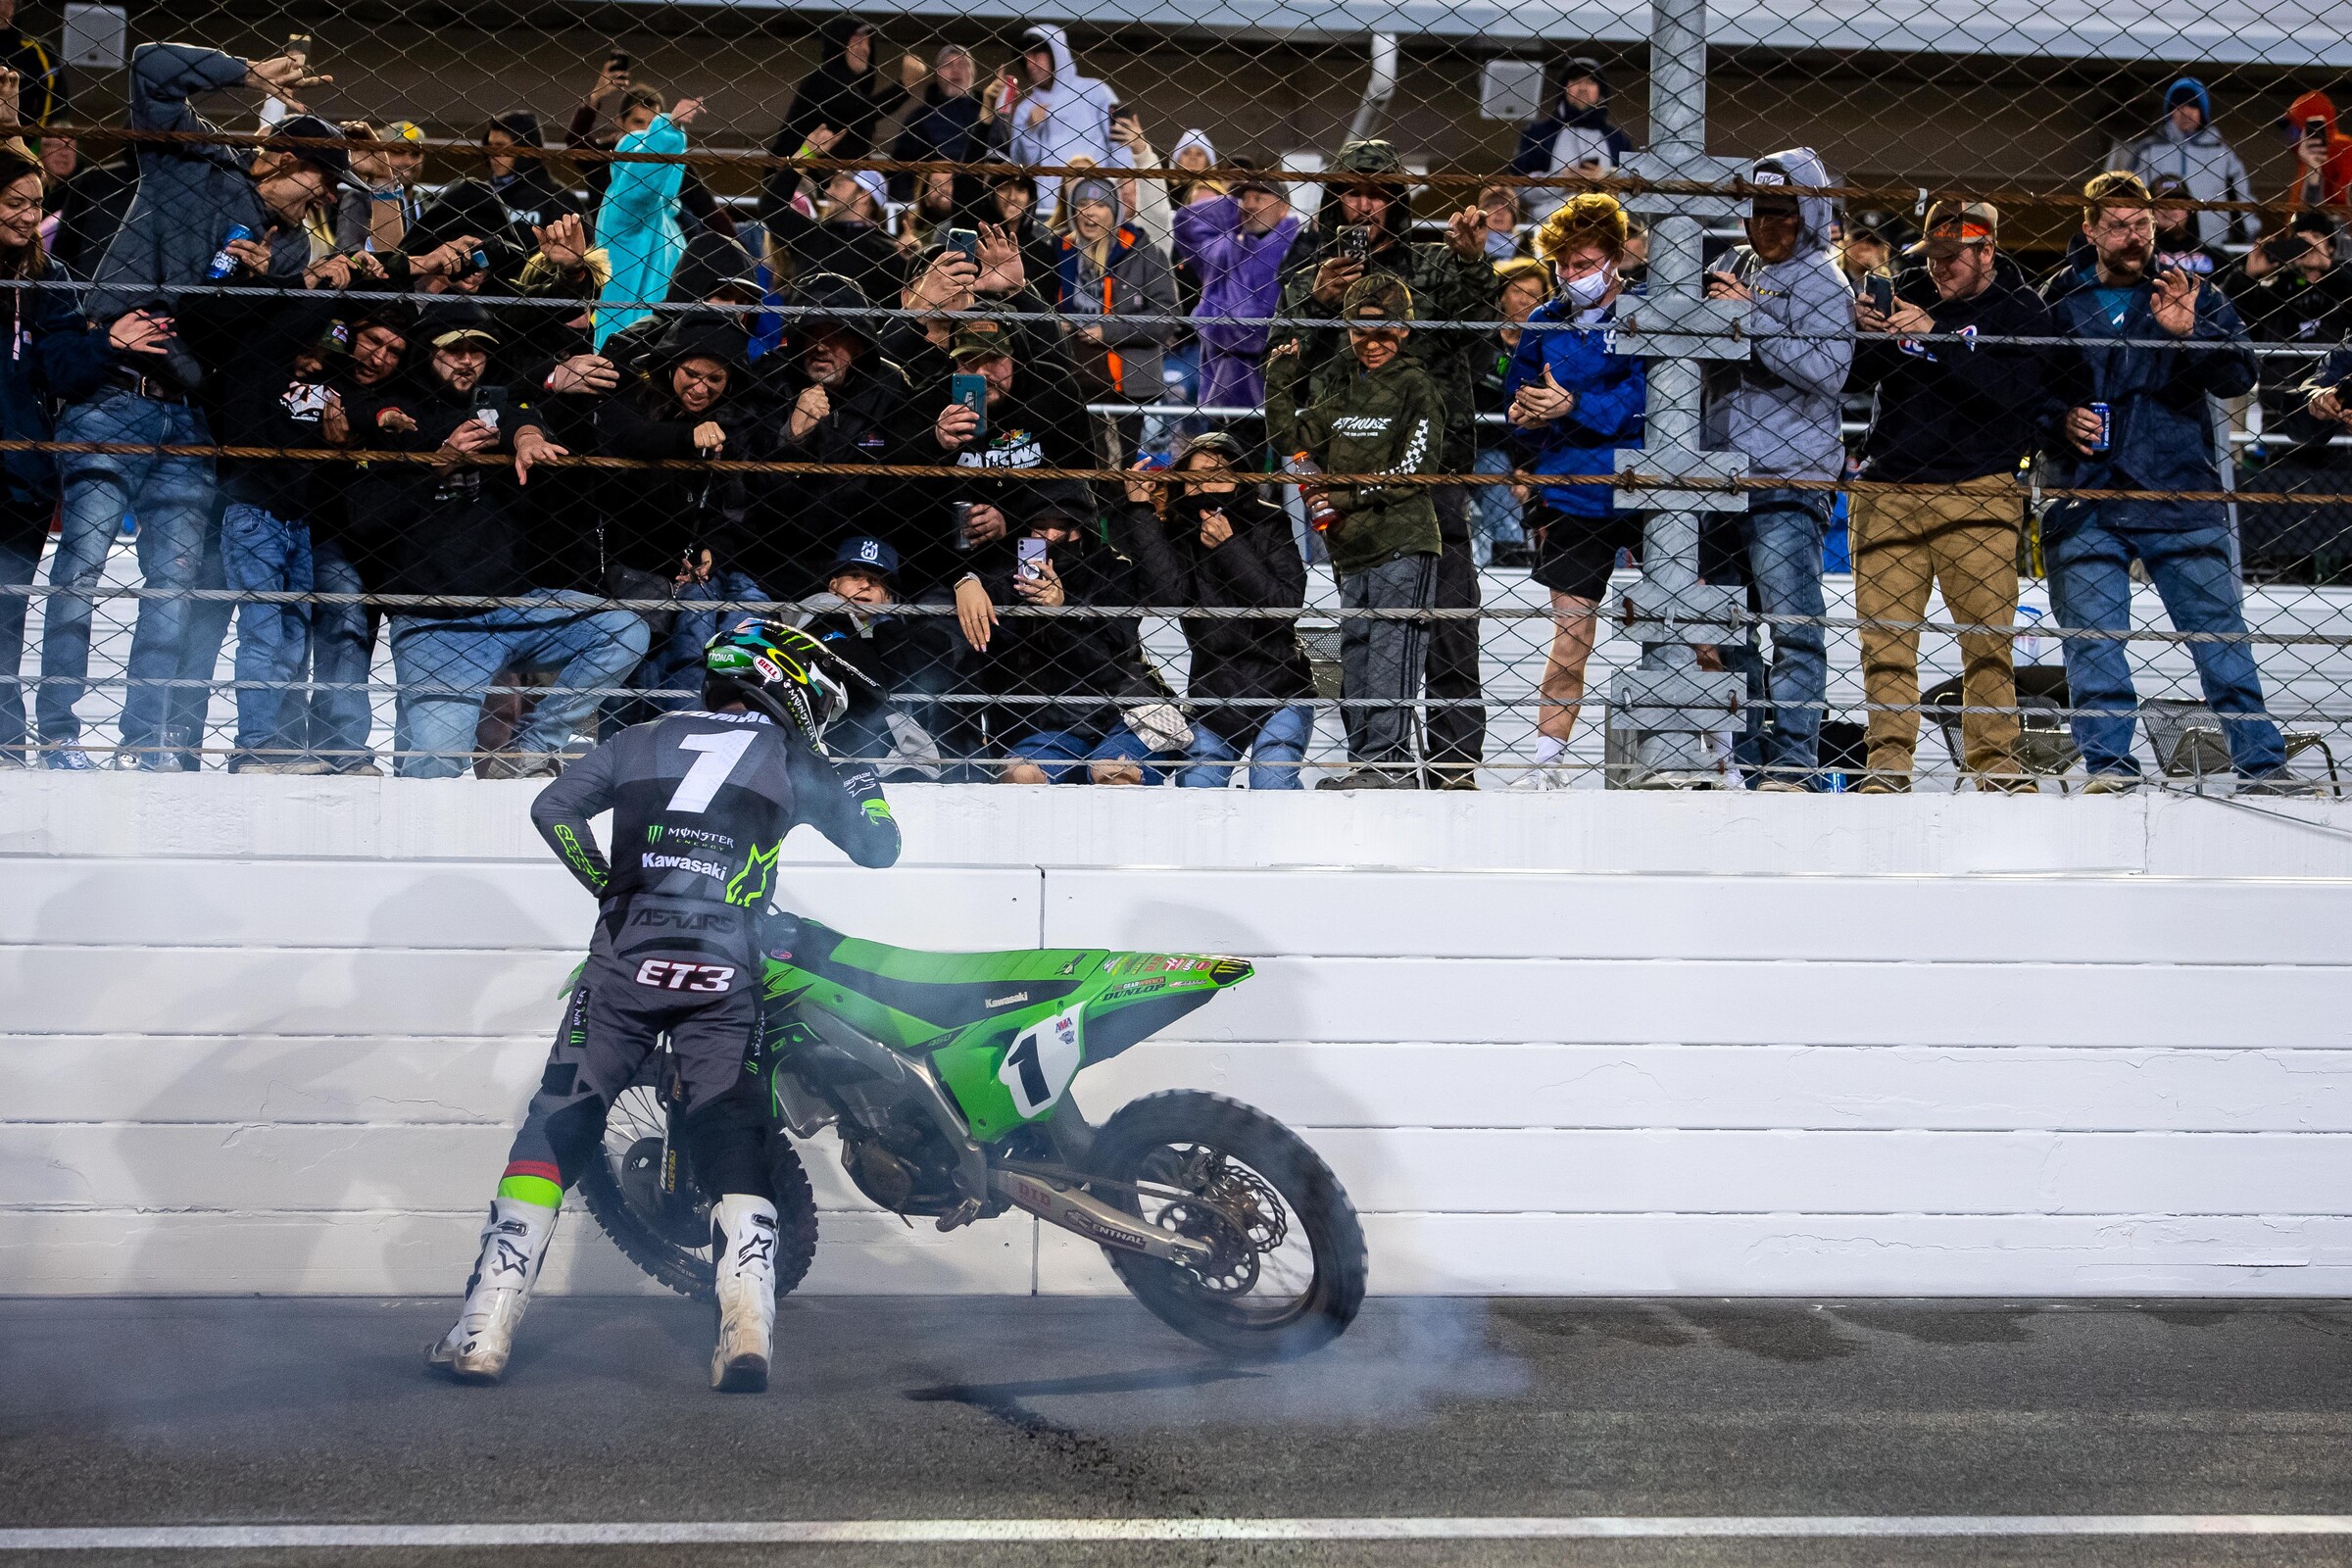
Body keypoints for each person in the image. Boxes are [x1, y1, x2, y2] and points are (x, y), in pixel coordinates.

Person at [431, 621, 899, 1391]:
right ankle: (747, 1337)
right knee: (732, 1128)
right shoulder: (794, 759)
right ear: (781, 683)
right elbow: (881, 849)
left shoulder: (640, 735)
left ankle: (481, 1330)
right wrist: (861, 783)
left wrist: (611, 887)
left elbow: (553, 809)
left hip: (624, 961)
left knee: (561, 1118)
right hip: (722, 968)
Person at [42, 43, 355, 770]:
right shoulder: (191, 165)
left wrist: (257, 290)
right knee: (82, 563)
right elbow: (150, 67)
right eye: (316, 178)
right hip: (113, 397)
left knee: (175, 585)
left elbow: (251, 342)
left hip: (189, 415)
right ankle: (53, 731)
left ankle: (146, 740)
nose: (320, 198)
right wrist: (249, 74)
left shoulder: (284, 255)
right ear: (275, 157)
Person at [2041, 172, 2298, 793]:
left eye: (2142, 224)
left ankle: (2262, 766)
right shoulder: (2054, 300)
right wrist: (2055, 419)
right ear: (2089, 229)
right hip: (2089, 498)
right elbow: (2022, 391)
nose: (2133, 237)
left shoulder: (2193, 292)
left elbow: (2240, 376)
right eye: (2117, 226)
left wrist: (2193, 335)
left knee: (2222, 644)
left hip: (2179, 492)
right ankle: (2109, 769)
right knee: (2092, 646)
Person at [1276, 138, 1496, 786]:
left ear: (1397, 200)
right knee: (1366, 631)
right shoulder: (1308, 277)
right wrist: (1319, 305)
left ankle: (1455, 768)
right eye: (1352, 190)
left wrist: (1476, 263)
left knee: (1451, 624)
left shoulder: (1432, 265)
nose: (1364, 204)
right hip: (1350, 482)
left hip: (1434, 476)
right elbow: (1283, 366)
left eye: (1378, 193)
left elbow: (1481, 331)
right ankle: (1378, 764)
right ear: (1335, 198)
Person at [342, 311, 646, 778]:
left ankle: (530, 749)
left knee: (625, 630)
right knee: (435, 769)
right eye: (452, 351)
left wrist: (528, 435)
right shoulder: (390, 414)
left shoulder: (499, 405)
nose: (466, 362)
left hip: (512, 607)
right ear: (428, 354)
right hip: (433, 622)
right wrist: (437, 464)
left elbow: (522, 412)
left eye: (477, 351)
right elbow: (366, 519)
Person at [1848, 200, 2054, 792]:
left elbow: (2013, 393)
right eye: (1932, 255)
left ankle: (1994, 764)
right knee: (1884, 638)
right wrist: (1868, 334)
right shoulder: (1905, 288)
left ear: (1986, 249)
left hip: (1980, 488)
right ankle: (1887, 763)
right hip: (1889, 484)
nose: (1939, 269)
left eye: (1952, 258)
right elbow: (1856, 380)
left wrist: (1935, 335)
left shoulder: (2022, 306)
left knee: (1988, 638)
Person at [1699, 149, 1853, 791]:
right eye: (1759, 210)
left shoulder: (1826, 280)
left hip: (1788, 479)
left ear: (1810, 213)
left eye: (1783, 213)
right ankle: (1754, 757)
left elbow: (1827, 372)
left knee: (1793, 628)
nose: (1768, 224)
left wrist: (1747, 317)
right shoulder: (1732, 265)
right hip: (1718, 476)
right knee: (1729, 637)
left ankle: (1793, 761)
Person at [1268, 275, 1448, 790]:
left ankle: (1386, 766)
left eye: (1383, 330)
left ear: (1405, 330)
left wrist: (1340, 498)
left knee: (1391, 657)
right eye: (1358, 330)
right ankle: (1367, 765)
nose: (1370, 343)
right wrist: (1280, 377)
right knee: (1358, 659)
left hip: (1402, 543)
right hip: (1351, 552)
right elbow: (1288, 437)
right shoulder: (1345, 386)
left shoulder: (1418, 386)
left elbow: (1415, 470)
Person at [1501, 193, 1646, 790]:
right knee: (1571, 634)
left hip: (1648, 487)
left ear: (1615, 259)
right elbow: (1519, 396)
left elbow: (1648, 403)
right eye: (1562, 265)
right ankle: (1547, 760)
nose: (1570, 275)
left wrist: (1573, 406)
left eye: (1583, 264)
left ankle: (1716, 753)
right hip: (1573, 493)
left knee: (1690, 629)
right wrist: (1528, 411)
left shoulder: (1648, 314)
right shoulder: (1544, 322)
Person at [1119, 432, 1316, 788]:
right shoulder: (1180, 531)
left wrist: (1229, 546)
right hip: (1213, 694)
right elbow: (1168, 596)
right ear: (1184, 483)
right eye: (1202, 472)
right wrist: (1139, 509)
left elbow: (1285, 605)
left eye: (1224, 470)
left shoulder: (1268, 520)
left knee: (1271, 779)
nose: (1213, 477)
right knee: (1197, 785)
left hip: (1282, 688)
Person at [594, 312, 759, 715]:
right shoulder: (632, 396)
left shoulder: (732, 424)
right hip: (629, 561)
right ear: (671, 365)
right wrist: (688, 436)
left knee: (687, 658)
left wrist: (712, 550)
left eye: (714, 380)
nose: (700, 388)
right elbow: (628, 436)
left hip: (685, 565)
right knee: (635, 670)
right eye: (691, 374)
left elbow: (731, 503)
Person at [953, 495, 1173, 784]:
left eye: (1063, 526)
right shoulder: (1018, 575)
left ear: (1085, 530)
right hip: (1050, 724)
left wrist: (1060, 614)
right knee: (1019, 776)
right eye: (1040, 528)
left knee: (1111, 772)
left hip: (1123, 714)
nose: (1051, 537)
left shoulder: (1114, 572)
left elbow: (1105, 667)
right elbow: (995, 584)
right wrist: (967, 581)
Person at [0, 146, 100, 765]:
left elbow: (63, 372)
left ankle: (6, 743)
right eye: (15, 202)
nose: (29, 216)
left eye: (37, 204)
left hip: (18, 479)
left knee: (5, 616)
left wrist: (109, 344)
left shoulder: (48, 280)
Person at [757, 271, 921, 591]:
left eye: (835, 335)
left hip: (864, 564)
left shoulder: (890, 387)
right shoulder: (770, 378)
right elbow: (751, 491)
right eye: (811, 334)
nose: (821, 347)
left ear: (859, 344)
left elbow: (905, 492)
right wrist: (792, 437)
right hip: (774, 558)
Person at [2230, 210, 2352, 578]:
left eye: (2318, 239)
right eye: (2301, 240)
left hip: (2344, 417)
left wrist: (2327, 268)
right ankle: (2287, 569)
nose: (2309, 248)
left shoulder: (2345, 286)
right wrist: (2248, 275)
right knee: (2286, 513)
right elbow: (2228, 320)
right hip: (2285, 416)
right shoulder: (2275, 291)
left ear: (2332, 246)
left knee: (2341, 508)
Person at [928, 315, 1099, 564]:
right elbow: (903, 493)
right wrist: (934, 441)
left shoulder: (1053, 390)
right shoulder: (934, 398)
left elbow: (1080, 481)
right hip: (952, 555)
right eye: (968, 359)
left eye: (995, 358)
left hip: (1041, 546)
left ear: (1016, 358)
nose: (982, 372)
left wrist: (1011, 519)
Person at [795, 535, 956, 778]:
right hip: (820, 730)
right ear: (833, 585)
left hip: (885, 746)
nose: (864, 586)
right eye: (854, 576)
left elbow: (931, 672)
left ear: (888, 598)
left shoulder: (894, 633)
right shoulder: (811, 615)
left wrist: (883, 629)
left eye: (875, 581)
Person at [1172, 164, 1298, 416]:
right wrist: (1232, 204)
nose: (1250, 205)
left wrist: (1226, 329)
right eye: (1245, 198)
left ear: (1283, 207)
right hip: (1220, 382)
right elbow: (1185, 222)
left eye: (1259, 198)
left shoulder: (1298, 247)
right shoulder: (1223, 247)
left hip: (1276, 380)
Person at [593, 87, 706, 350]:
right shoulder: (621, 208)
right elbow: (640, 185)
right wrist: (668, 128)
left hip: (660, 347)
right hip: (624, 346)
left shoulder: (671, 224)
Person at [1054, 173, 1177, 406]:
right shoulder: (1058, 251)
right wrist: (1057, 324)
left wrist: (1109, 331)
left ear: (1115, 212)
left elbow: (1166, 317)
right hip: (1070, 380)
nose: (1090, 212)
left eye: (1100, 205)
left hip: (1131, 386)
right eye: (1082, 204)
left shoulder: (1145, 253)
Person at [2115, 77, 2259, 249]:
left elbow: (2240, 196)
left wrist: (2248, 234)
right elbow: (2133, 196)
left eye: (2193, 105)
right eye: (2178, 106)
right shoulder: (2150, 150)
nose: (2185, 112)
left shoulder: (2222, 154)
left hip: (2214, 245)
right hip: (2159, 245)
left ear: (2203, 111)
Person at [1471, 258, 1550, 567]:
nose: (1524, 300)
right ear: (1501, 293)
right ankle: (1508, 553)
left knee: (1499, 470)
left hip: (1514, 451)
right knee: (1495, 467)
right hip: (1468, 441)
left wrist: (1525, 469)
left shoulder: (1543, 347)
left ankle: (1510, 556)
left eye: (1534, 295)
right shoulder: (1479, 337)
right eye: (1518, 290)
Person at [1002, 24, 1118, 220]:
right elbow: (1022, 168)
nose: (1030, 64)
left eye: (1037, 56)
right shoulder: (1025, 109)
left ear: (1057, 54)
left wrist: (1122, 189)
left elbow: (1119, 144)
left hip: (1096, 204)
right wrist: (1030, 130)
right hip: (1045, 211)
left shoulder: (1097, 92)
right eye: (1026, 58)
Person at [1510, 57, 1636, 224]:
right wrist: (1562, 180)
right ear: (1564, 89)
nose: (1582, 87)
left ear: (1601, 92)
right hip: (1550, 229)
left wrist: (1605, 178)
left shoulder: (1617, 139)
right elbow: (1519, 188)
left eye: (1590, 82)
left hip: (1603, 229)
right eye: (1575, 81)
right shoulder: (1539, 133)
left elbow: (1634, 188)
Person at [890, 44, 989, 202]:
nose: (955, 71)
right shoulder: (919, 118)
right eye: (948, 65)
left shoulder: (987, 114)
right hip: (932, 195)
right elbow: (901, 167)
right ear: (937, 74)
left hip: (979, 192)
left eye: (963, 64)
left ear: (973, 74)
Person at [2281, 91, 2352, 215]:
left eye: (2295, 131)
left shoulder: (2343, 150)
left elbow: (2343, 212)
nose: (2292, 138)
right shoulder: (2308, 160)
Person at [2148, 173, 2230, 278]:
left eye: (2177, 202)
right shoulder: (2140, 257)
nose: (2169, 208)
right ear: (2150, 210)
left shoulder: (2217, 258)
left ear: (2190, 209)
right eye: (2161, 202)